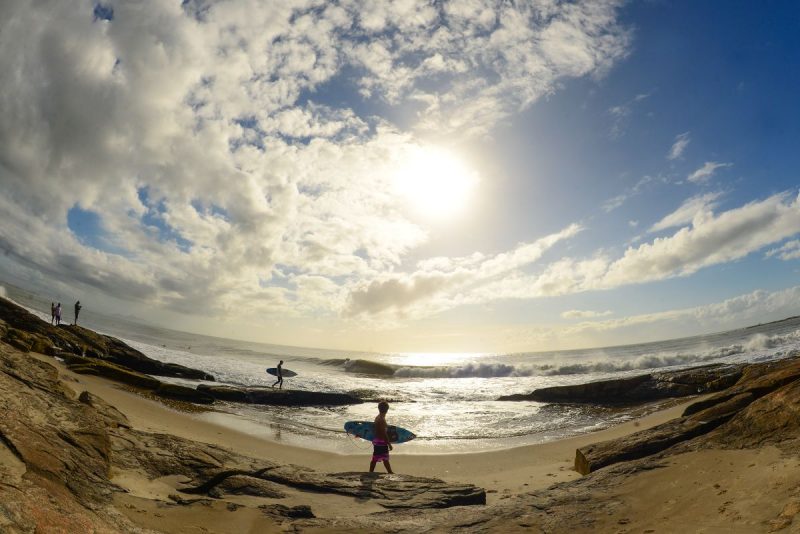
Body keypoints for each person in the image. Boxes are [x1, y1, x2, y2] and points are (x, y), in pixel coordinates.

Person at [369, 401, 394, 474]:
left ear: (379, 409)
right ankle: (390, 472)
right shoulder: (382, 419)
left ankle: (371, 472)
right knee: (385, 458)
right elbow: (384, 433)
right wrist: (389, 444)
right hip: (381, 441)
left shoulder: (377, 417)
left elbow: (376, 430)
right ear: (387, 410)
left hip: (376, 440)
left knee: (376, 457)